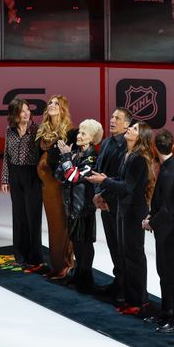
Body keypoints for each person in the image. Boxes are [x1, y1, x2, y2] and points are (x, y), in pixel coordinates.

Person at [87, 121, 156, 316]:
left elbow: (128, 187)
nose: (129, 129)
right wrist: (106, 182)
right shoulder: (129, 155)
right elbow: (121, 181)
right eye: (131, 126)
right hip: (123, 210)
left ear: (140, 137)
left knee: (134, 257)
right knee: (125, 256)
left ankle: (139, 300)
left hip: (134, 213)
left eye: (134, 129)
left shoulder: (139, 159)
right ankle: (129, 296)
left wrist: (104, 181)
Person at [143, 129, 174, 333]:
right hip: (166, 229)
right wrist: (152, 217)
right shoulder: (173, 165)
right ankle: (167, 310)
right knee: (164, 271)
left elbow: (168, 209)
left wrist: (150, 223)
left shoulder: (171, 171)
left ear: (155, 148)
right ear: (172, 146)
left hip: (170, 232)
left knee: (172, 273)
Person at [90, 107, 132, 303]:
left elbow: (121, 178)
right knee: (113, 246)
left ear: (127, 124)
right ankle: (118, 280)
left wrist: (103, 194)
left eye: (118, 118)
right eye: (112, 117)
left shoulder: (127, 146)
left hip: (117, 204)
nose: (112, 120)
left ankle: (126, 286)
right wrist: (98, 194)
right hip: (104, 202)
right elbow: (98, 170)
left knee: (121, 246)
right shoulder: (106, 142)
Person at [56, 118, 103, 292]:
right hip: (71, 205)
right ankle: (78, 274)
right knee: (76, 242)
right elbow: (60, 175)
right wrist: (68, 163)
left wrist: (66, 159)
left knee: (84, 244)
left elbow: (73, 177)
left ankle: (86, 277)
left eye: (84, 133)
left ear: (92, 138)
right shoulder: (75, 152)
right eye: (80, 131)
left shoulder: (91, 157)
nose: (79, 135)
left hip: (83, 207)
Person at [0, 98, 44, 272]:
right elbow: (6, 155)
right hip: (15, 174)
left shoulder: (37, 130)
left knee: (33, 216)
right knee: (18, 215)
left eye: (28, 110)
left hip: (32, 174)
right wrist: (5, 178)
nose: (26, 113)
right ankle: (20, 253)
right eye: (22, 111)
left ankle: (35, 256)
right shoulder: (9, 130)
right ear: (14, 114)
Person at [35, 94, 76, 278]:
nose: (51, 105)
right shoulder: (42, 130)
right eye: (50, 102)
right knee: (53, 225)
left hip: (59, 185)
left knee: (62, 225)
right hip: (46, 186)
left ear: (63, 109)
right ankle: (56, 264)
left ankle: (65, 264)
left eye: (56, 104)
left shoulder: (68, 132)